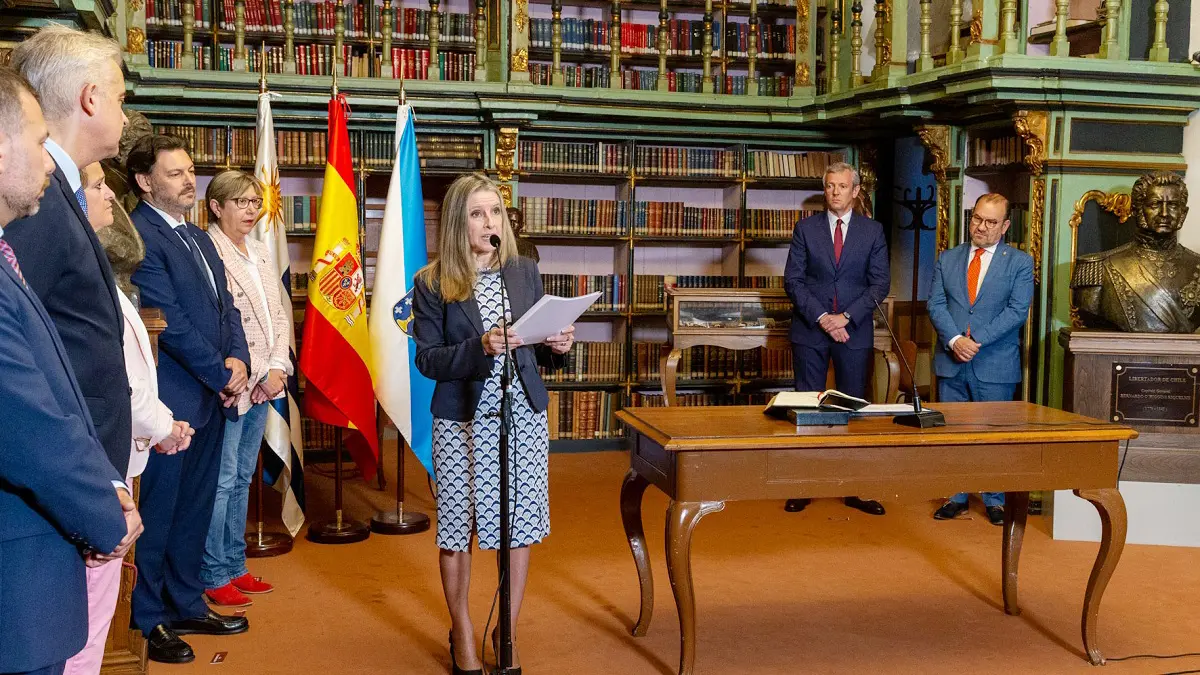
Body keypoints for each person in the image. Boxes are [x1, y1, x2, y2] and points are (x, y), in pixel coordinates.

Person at [0, 66, 139, 675]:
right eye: (37, 143)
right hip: (23, 553)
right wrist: (103, 507)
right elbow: (22, 411)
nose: (50, 163)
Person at [413, 173, 574, 675]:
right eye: (478, 214)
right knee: (457, 531)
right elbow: (429, 361)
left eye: (496, 212)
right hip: (462, 419)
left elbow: (536, 345)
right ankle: (462, 628)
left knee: (518, 526)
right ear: (459, 224)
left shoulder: (524, 271)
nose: (489, 223)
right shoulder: (432, 283)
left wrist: (558, 346)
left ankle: (508, 628)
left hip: (520, 415)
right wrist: (478, 347)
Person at [127, 135, 252, 664]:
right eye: (174, 172)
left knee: (195, 509)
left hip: (213, 395)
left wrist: (239, 361)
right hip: (173, 397)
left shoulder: (201, 238)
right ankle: (149, 618)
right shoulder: (137, 234)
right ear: (144, 181)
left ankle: (184, 601)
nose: (187, 180)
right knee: (160, 511)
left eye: (190, 169)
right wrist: (218, 373)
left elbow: (228, 308)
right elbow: (167, 321)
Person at [4, 23, 134, 486]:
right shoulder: (35, 201)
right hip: (66, 473)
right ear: (91, 98)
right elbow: (17, 361)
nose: (125, 114)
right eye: (120, 99)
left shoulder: (59, 191)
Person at [201, 170, 290, 607]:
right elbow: (219, 322)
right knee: (220, 480)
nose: (252, 210)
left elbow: (279, 313)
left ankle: (235, 565)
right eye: (242, 202)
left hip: (266, 383)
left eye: (256, 203)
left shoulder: (260, 252)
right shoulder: (207, 249)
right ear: (217, 207)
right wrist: (252, 375)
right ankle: (213, 570)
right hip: (233, 384)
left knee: (241, 478)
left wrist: (277, 369)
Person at [782, 161, 890, 516]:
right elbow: (793, 282)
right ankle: (804, 485)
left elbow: (879, 284)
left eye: (842, 186)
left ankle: (854, 487)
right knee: (807, 409)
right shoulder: (805, 229)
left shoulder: (872, 232)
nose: (835, 192)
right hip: (811, 330)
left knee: (851, 410)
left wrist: (845, 317)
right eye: (829, 186)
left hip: (853, 331)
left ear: (856, 191)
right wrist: (824, 319)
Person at [927, 193, 1034, 526]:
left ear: (1004, 226)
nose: (981, 227)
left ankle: (995, 500)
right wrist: (956, 339)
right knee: (953, 434)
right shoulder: (948, 258)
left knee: (994, 435)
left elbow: (1017, 310)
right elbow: (935, 304)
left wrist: (977, 340)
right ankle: (955, 495)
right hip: (952, 360)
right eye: (977, 219)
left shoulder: (1019, 262)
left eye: (990, 222)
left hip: (994, 362)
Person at [1071, 171, 1200, 332]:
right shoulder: (1099, 267)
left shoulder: (1197, 266)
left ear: (1183, 213)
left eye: (1173, 205)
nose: (1165, 214)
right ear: (1137, 210)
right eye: (1155, 204)